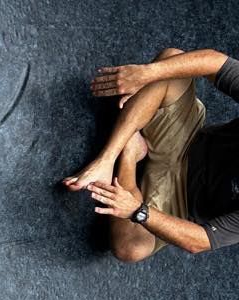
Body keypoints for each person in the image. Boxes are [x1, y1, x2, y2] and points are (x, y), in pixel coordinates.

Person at [63, 48, 239, 263]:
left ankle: (131, 151)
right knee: (171, 62)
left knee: (130, 249)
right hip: (185, 139)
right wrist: (146, 74)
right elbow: (215, 62)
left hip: (179, 199)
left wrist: (138, 211)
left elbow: (200, 241)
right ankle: (107, 158)